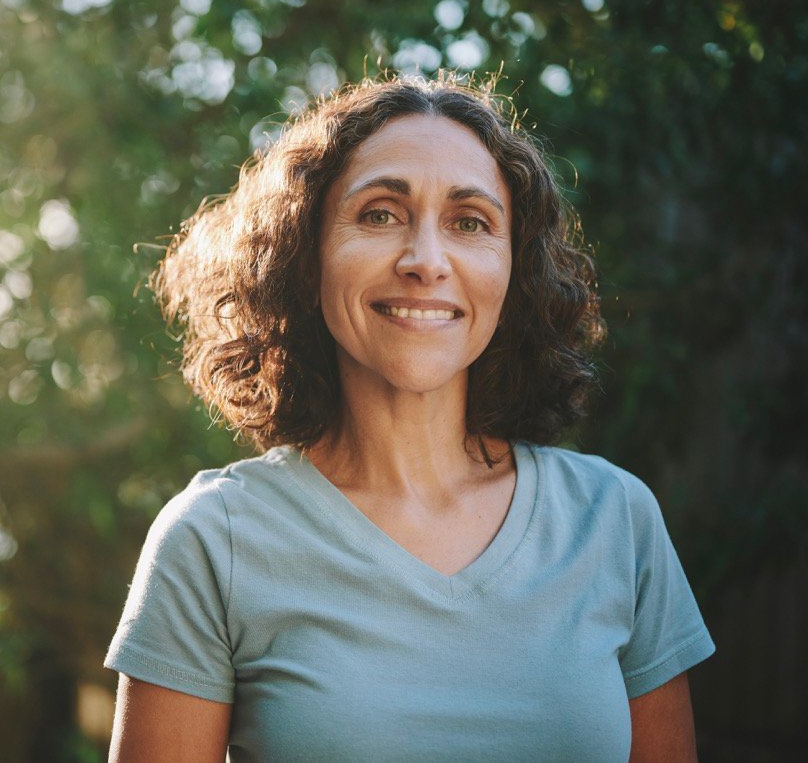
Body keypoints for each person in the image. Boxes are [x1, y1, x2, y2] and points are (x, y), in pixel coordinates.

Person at [103, 74, 714, 762]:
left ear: (515, 271)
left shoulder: (615, 521)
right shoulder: (214, 540)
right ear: (306, 258)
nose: (426, 261)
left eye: (470, 223)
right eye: (380, 214)